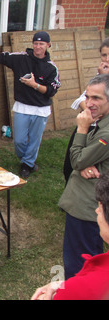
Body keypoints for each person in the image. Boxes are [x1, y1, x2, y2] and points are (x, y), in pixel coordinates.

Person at [0, 31, 60, 178]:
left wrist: (34, 85)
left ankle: (27, 165)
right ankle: (27, 160)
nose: (38, 46)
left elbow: (51, 91)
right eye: (36, 43)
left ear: (48, 45)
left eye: (41, 44)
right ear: (32, 44)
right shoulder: (21, 58)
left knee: (34, 140)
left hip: (40, 110)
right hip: (22, 106)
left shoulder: (51, 68)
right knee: (19, 140)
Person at [58, 74, 109, 280]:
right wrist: (84, 162)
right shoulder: (101, 120)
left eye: (96, 98)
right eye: (87, 97)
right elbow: (80, 160)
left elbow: (76, 160)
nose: (89, 104)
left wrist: (82, 128)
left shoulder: (105, 131)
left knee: (80, 266)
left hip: (87, 208)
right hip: (88, 205)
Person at [31, 172, 109, 300]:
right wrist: (64, 285)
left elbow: (89, 289)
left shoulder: (87, 288)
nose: (97, 210)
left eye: (101, 207)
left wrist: (68, 290)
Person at [63, 38, 109, 184]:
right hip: (88, 127)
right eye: (104, 55)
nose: (107, 59)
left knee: (84, 164)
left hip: (101, 135)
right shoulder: (100, 75)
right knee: (70, 165)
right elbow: (81, 100)